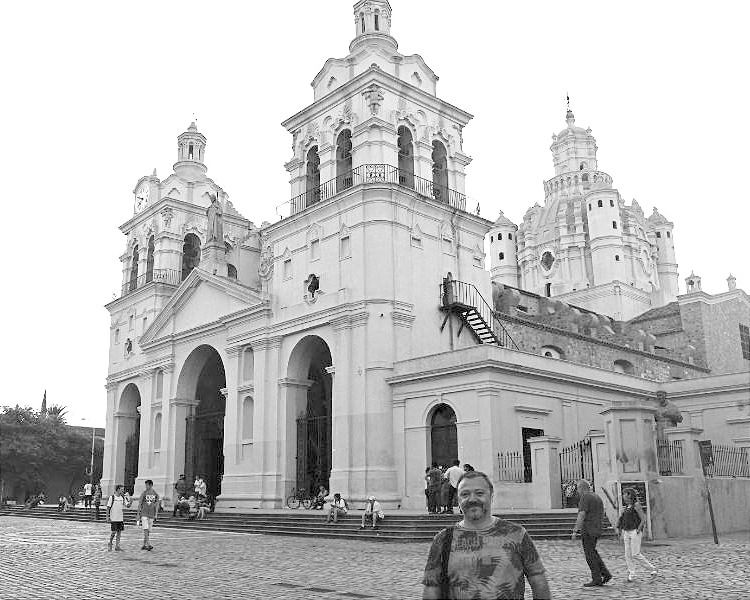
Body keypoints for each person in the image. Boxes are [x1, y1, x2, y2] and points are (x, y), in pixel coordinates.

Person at [422, 471, 550, 599]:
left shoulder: (516, 534)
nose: (472, 499)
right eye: (465, 494)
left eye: (479, 493)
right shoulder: (443, 540)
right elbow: (432, 588)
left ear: (491, 496)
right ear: (458, 498)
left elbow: (538, 581)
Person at [571, 479, 612, 587]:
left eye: (578, 488)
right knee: (593, 552)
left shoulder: (585, 497)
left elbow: (582, 514)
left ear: (582, 488)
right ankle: (606, 574)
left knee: (589, 555)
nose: (577, 491)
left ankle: (597, 578)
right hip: (596, 528)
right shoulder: (596, 496)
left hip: (588, 529)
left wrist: (575, 530)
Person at [616, 487, 658, 582]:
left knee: (635, 553)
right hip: (626, 531)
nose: (623, 496)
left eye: (625, 494)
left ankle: (652, 569)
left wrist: (638, 530)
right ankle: (632, 573)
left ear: (629, 495)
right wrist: (620, 528)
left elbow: (643, 518)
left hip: (634, 531)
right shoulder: (626, 507)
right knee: (628, 554)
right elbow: (622, 519)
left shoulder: (636, 505)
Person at [136, 479, 160, 551]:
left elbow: (157, 505)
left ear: (151, 485)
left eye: (147, 485)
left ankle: (144, 544)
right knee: (145, 529)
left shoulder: (155, 494)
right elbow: (140, 504)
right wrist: (138, 514)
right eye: (145, 485)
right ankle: (148, 544)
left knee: (148, 530)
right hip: (144, 513)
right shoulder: (144, 493)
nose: (146, 486)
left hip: (151, 514)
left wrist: (156, 514)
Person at [106, 484, 130, 551]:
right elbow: (108, 507)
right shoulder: (112, 497)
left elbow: (127, 505)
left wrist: (130, 501)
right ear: (118, 489)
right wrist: (107, 516)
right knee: (113, 532)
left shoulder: (123, 497)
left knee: (119, 532)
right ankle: (110, 542)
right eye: (122, 489)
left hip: (120, 518)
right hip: (114, 518)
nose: (123, 491)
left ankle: (117, 546)